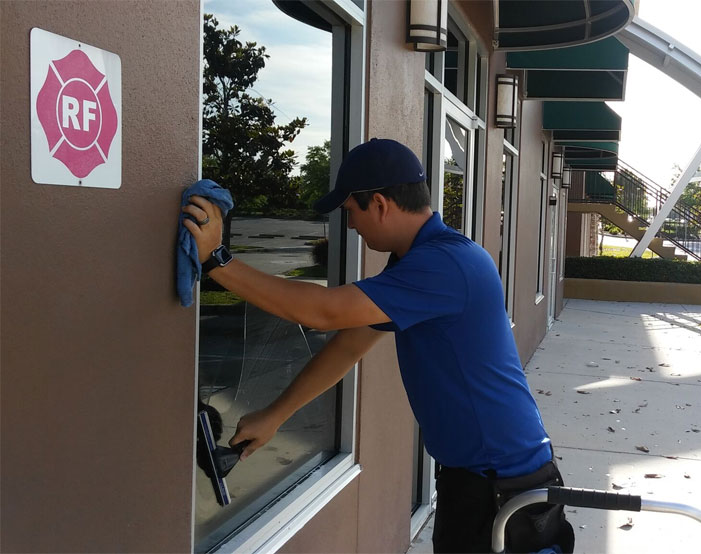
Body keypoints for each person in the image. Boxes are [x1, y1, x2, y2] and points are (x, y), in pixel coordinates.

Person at [182, 138, 573, 553]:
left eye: (351, 211)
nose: (350, 225)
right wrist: (275, 415)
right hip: (478, 480)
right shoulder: (416, 261)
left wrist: (216, 260)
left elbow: (325, 312)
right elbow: (349, 345)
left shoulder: (446, 265)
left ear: (381, 205)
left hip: (503, 487)